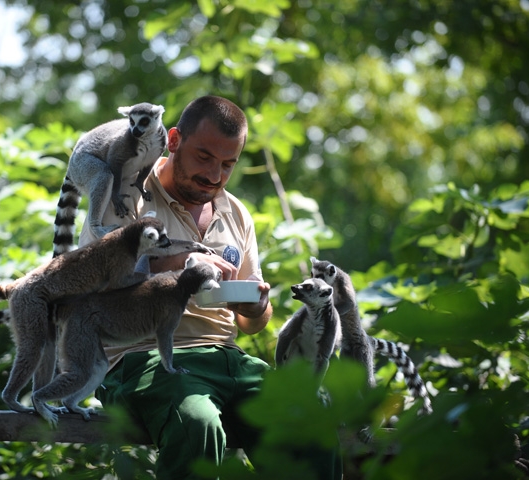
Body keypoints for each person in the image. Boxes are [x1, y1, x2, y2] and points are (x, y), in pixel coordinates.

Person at [76, 96, 338, 479]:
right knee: (196, 423)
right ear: (174, 140)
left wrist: (254, 306)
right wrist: (178, 267)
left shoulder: (236, 212)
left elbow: (254, 324)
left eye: (227, 165)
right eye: (204, 157)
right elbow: (95, 294)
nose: (214, 175)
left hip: (228, 359)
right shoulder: (127, 196)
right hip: (141, 359)